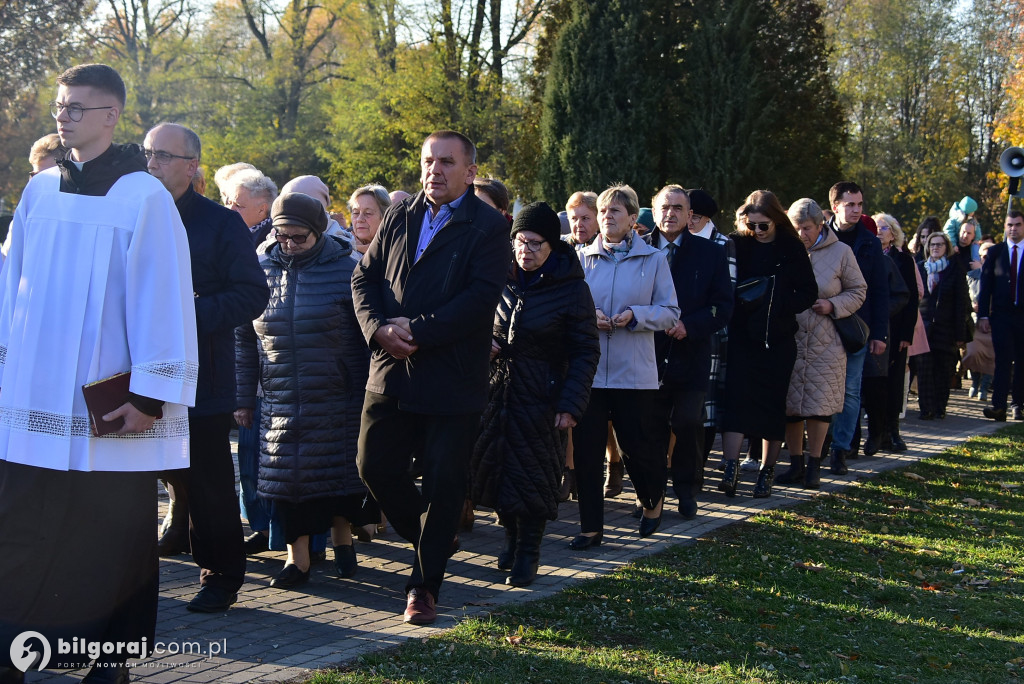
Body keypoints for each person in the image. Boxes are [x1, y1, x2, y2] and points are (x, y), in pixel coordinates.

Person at [0, 63, 198, 683]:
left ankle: (110, 663)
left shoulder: (142, 197)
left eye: (77, 108)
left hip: (106, 408)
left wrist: (150, 393)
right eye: (60, 107)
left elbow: (162, 297)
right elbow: (13, 287)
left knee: (113, 541)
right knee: (20, 531)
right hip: (33, 402)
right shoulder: (39, 191)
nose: (63, 117)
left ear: (111, 117)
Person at [351, 130, 510, 625]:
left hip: (450, 375)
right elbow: (365, 278)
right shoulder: (400, 212)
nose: (434, 171)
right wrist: (378, 330)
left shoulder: (488, 225)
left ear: (470, 172)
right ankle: (431, 536)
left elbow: (481, 298)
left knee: (443, 486)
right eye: (427, 161)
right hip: (390, 368)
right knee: (372, 466)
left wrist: (419, 330)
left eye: (446, 162)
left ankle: (423, 586)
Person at [143, 123, 270, 612]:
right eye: (147, 153)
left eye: (162, 155)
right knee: (141, 479)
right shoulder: (130, 215)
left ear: (191, 165)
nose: (151, 163)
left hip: (202, 373)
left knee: (209, 482)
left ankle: (220, 576)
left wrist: (187, 312)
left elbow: (252, 294)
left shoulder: (221, 224)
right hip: (135, 372)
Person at [235, 192, 373, 588]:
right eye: (283, 237)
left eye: (299, 237)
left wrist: (365, 392)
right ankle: (298, 562)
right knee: (288, 482)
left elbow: (367, 337)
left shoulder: (348, 269)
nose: (290, 245)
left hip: (336, 394)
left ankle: (344, 543)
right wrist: (244, 399)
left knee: (336, 476)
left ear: (318, 231)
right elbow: (244, 341)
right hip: (278, 397)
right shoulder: (259, 271)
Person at [470, 202, 599, 586]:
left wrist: (571, 404)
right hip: (498, 392)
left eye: (535, 244)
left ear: (552, 246)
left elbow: (585, 350)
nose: (525, 250)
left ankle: (529, 551)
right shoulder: (498, 280)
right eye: (519, 242)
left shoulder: (572, 288)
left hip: (542, 397)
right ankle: (509, 537)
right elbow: (482, 324)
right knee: (496, 470)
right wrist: (486, 344)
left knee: (535, 477)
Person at [572, 184, 679, 547]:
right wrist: (592, 317)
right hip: (590, 373)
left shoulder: (654, 260)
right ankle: (590, 528)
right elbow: (570, 310)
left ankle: (652, 502)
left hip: (634, 374)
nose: (607, 217)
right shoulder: (582, 259)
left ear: (633, 219)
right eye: (603, 211)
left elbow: (670, 313)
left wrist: (636, 315)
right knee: (587, 452)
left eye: (615, 211)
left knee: (639, 449)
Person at [718, 190, 817, 498]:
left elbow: (809, 293)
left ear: (776, 220)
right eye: (752, 224)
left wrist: (778, 302)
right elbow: (725, 284)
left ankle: (766, 472)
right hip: (743, 335)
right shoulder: (739, 243)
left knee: (772, 405)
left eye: (764, 225)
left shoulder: (791, 247)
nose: (757, 231)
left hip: (778, 339)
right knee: (736, 401)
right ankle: (730, 469)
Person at [648, 185, 732, 518]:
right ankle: (650, 495)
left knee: (686, 423)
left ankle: (686, 490)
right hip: (648, 356)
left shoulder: (709, 253)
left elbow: (723, 306)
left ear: (689, 215)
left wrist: (689, 325)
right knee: (650, 428)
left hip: (691, 354)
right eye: (664, 207)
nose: (670, 214)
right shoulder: (638, 249)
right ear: (654, 211)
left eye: (678, 208)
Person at [778, 199, 866, 489]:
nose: (801, 234)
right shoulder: (784, 250)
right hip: (789, 337)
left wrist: (832, 304)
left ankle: (815, 464)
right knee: (790, 406)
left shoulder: (842, 252)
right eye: (796, 228)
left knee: (819, 405)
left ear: (820, 226)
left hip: (826, 341)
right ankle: (795, 464)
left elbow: (858, 290)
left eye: (806, 228)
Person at [825, 182, 889, 474]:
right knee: (821, 389)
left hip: (856, 327)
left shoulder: (870, 242)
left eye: (860, 205)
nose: (856, 210)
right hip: (820, 326)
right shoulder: (818, 236)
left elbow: (879, 290)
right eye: (850, 204)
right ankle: (816, 448)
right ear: (836, 205)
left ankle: (841, 448)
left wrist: (879, 333)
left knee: (850, 391)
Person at [861, 213, 917, 455]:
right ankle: (867, 434)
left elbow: (909, 297)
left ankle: (888, 432)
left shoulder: (901, 260)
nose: (880, 232)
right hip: (861, 329)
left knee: (888, 382)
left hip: (889, 329)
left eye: (885, 228)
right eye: (878, 227)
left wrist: (903, 331)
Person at [687, 188, 736, 462]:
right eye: (688, 214)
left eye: (697, 216)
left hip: (712, 332)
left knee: (707, 400)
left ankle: (700, 463)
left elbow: (725, 292)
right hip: (677, 331)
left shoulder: (722, 243)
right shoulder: (677, 241)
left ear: (708, 219)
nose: (690, 220)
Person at [916, 231, 970, 419]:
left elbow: (961, 302)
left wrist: (960, 334)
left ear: (946, 248)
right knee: (924, 369)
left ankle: (939, 407)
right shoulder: (920, 268)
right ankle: (926, 408)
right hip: (923, 327)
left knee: (943, 370)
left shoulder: (954, 269)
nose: (936, 248)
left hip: (946, 329)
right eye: (932, 244)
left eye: (940, 244)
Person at [979, 212, 1024, 421]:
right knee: (1003, 360)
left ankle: (1018, 404)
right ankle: (999, 406)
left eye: (1017, 225)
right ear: (1005, 227)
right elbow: (985, 285)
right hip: (1001, 315)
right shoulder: (996, 253)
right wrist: (983, 316)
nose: (1013, 229)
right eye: (1009, 225)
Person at [225, 169, 278, 244]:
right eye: (229, 203)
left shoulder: (273, 240)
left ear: (262, 210)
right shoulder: (225, 230)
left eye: (238, 206)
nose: (230, 209)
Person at [348, 184, 391, 258]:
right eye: (356, 213)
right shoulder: (340, 247)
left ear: (385, 216)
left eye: (368, 213)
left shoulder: (397, 248)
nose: (359, 219)